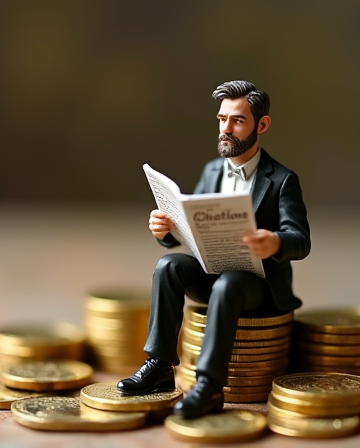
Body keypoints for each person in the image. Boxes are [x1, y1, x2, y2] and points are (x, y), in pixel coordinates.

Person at [117, 80, 311, 419]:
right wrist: (166, 230)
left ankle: (208, 385)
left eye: (237, 120)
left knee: (229, 284)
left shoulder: (281, 179)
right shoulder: (211, 171)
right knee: (168, 266)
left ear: (261, 125)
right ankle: (159, 365)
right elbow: (193, 224)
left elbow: (301, 240)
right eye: (221, 119)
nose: (226, 129)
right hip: (215, 271)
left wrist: (275, 241)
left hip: (260, 285)